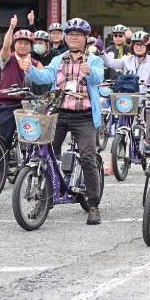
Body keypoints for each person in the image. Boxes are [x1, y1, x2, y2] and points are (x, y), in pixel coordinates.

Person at [25, 18, 105, 225]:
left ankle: (94, 205)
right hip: (59, 113)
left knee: (88, 156)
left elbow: (98, 78)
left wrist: (90, 72)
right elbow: (44, 77)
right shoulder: (58, 60)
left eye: (78, 35)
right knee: (46, 153)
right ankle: (45, 199)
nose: (74, 38)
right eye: (70, 35)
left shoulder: (93, 60)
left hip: (84, 116)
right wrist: (29, 69)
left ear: (86, 38)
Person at [0, 17, 42, 156]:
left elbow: (46, 79)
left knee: (33, 139)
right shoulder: (7, 58)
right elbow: (5, 47)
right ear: (15, 44)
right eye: (20, 42)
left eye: (26, 43)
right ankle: (1, 172)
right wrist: (11, 28)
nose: (23, 45)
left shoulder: (35, 63)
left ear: (31, 46)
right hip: (8, 104)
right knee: (3, 141)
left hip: (29, 105)